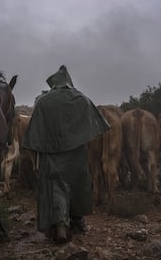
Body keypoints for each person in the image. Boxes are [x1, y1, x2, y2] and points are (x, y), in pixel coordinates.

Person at [23, 65, 110, 243]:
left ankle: (60, 225)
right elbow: (95, 127)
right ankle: (78, 221)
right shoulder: (82, 99)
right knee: (78, 186)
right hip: (76, 153)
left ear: (54, 83)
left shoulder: (43, 101)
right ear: (68, 81)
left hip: (51, 154)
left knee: (56, 187)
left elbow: (34, 133)